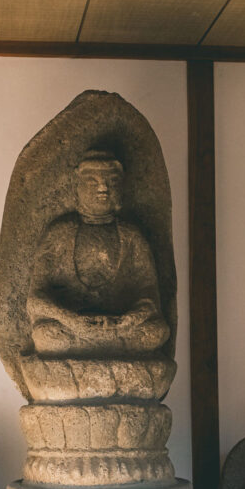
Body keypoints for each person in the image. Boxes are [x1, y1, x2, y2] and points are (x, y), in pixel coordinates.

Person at [26, 150, 169, 358]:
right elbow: (35, 300)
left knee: (157, 332)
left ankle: (84, 362)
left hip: (119, 329)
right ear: (77, 187)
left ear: (122, 188)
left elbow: (150, 299)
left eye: (111, 182)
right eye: (92, 182)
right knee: (45, 337)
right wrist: (70, 319)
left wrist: (125, 321)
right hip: (71, 329)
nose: (103, 188)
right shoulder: (60, 232)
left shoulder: (131, 235)